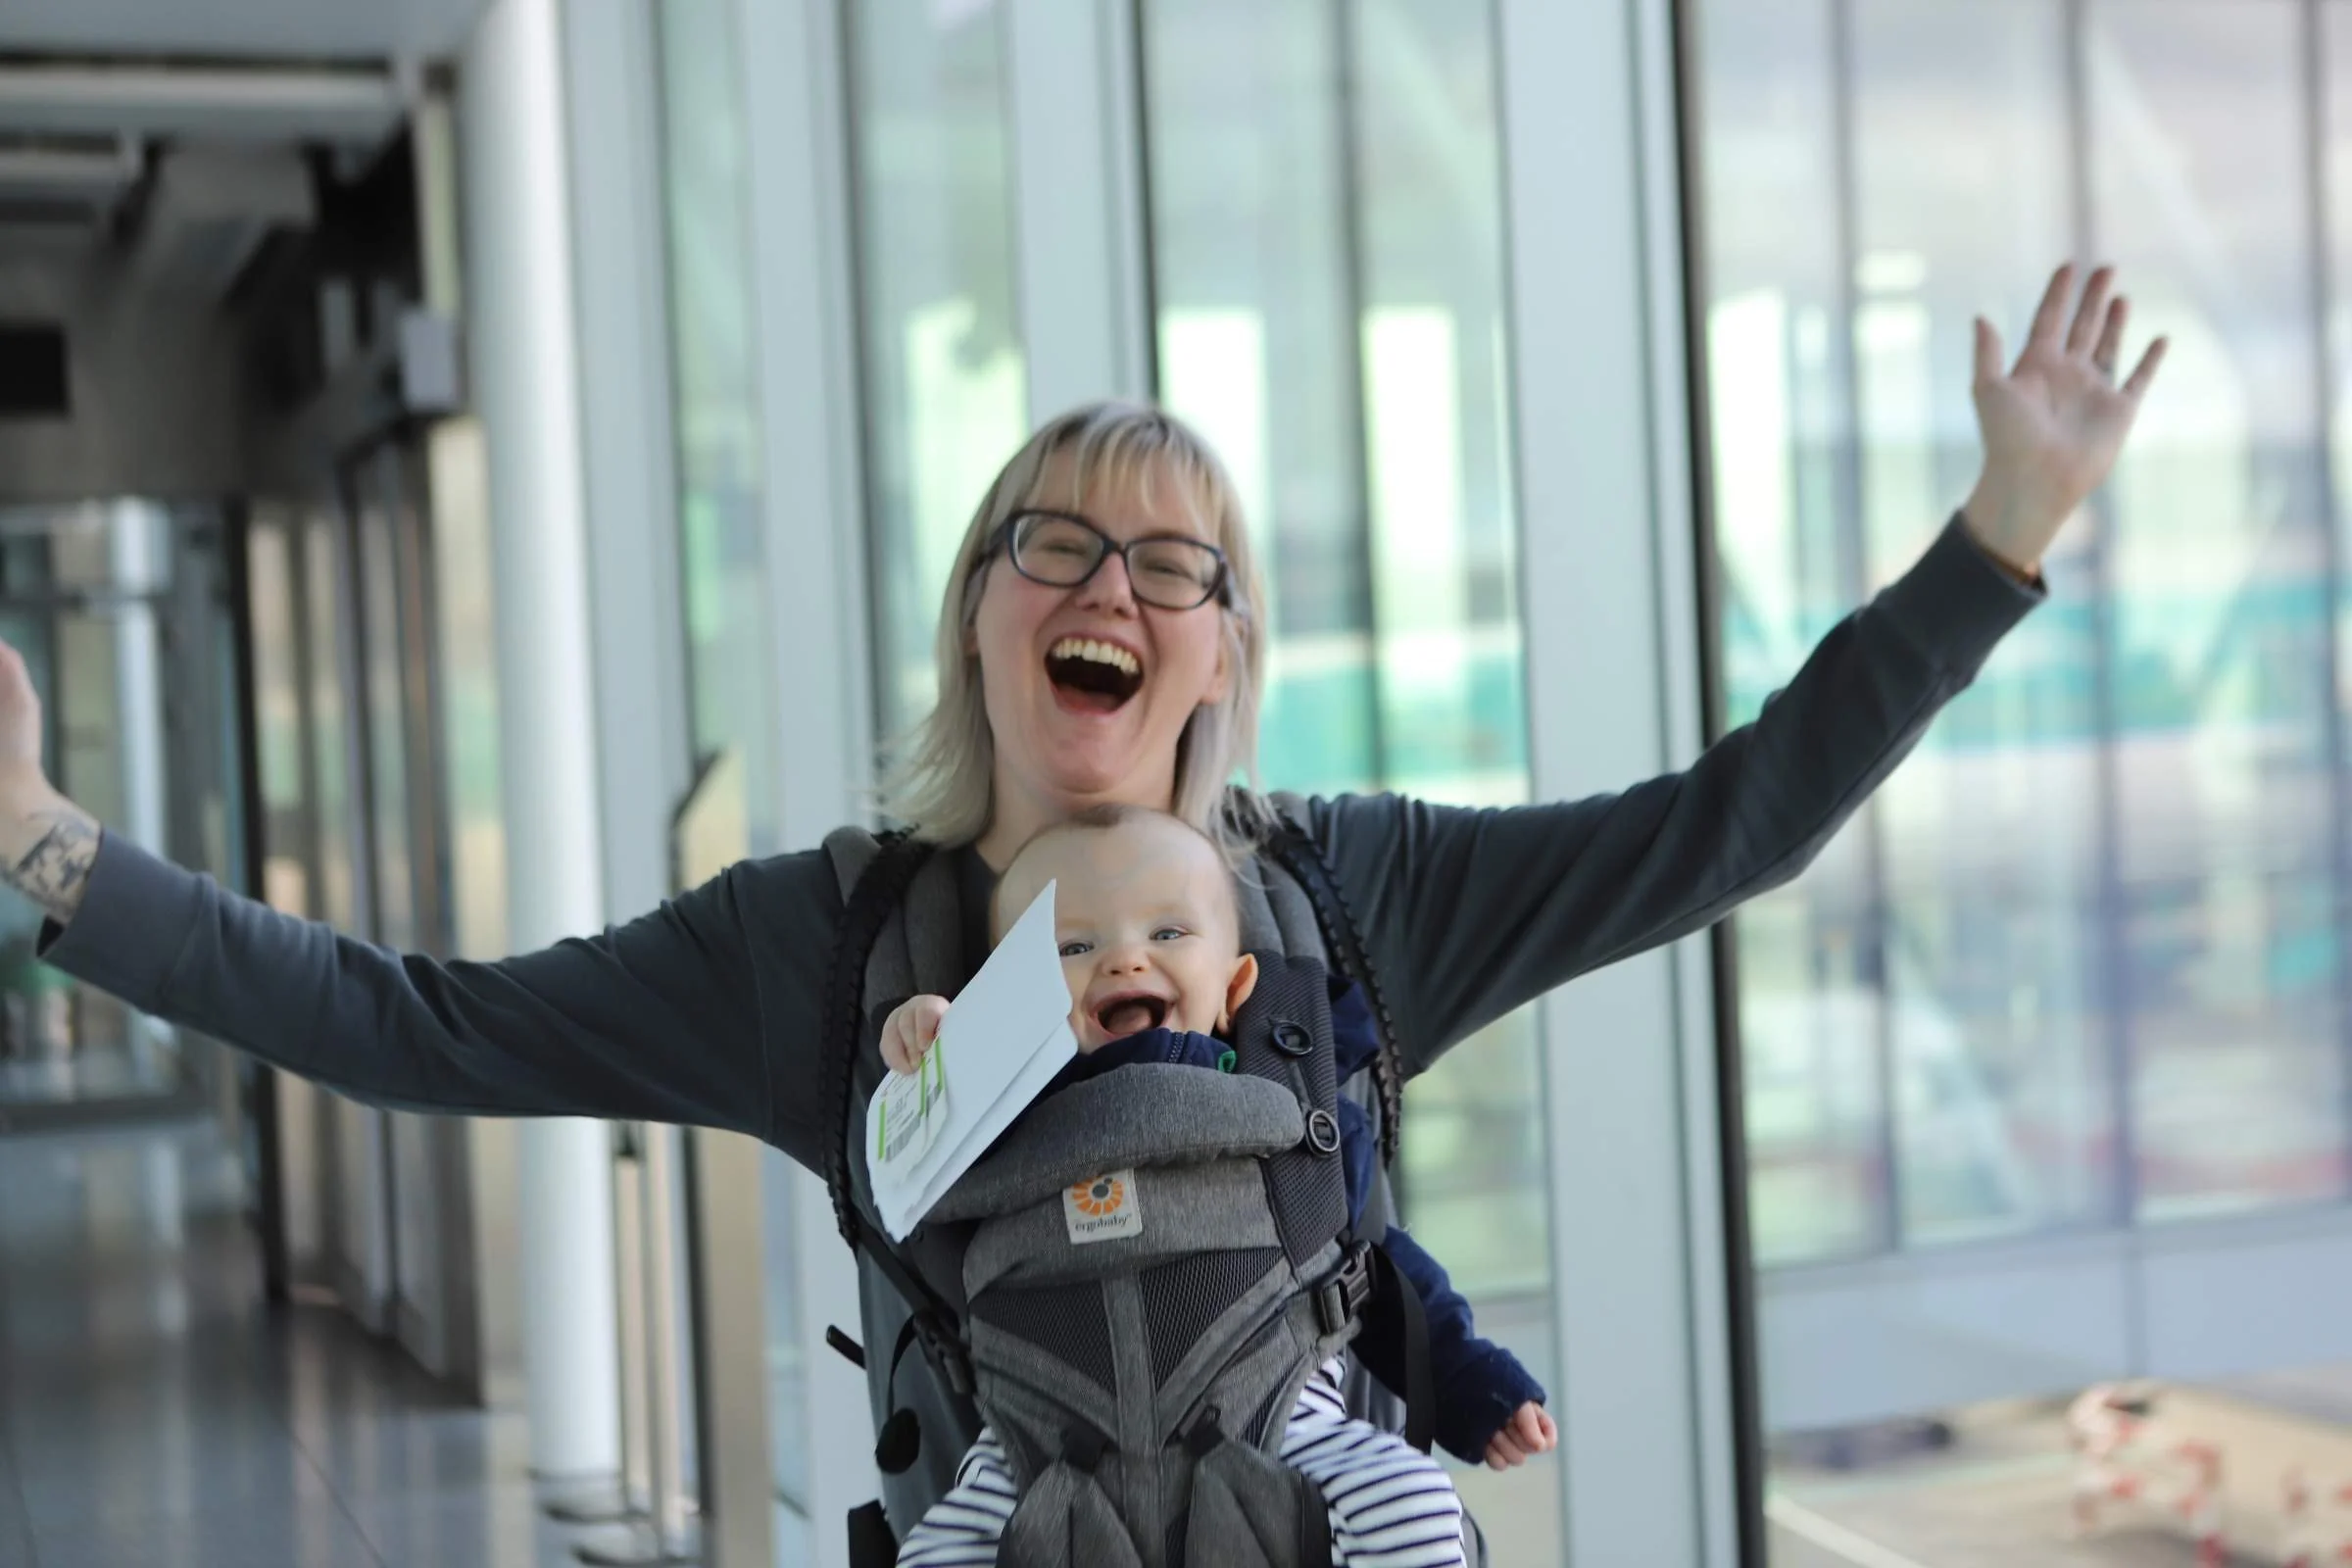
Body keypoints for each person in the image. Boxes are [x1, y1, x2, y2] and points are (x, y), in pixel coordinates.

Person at [0, 264, 2165, 1537]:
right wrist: (42, 847)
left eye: (1172, 563)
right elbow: (411, 1024)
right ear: (978, 615)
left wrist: (1997, 540)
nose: (1109, 584)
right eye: (1055, 543)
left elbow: (1726, 828)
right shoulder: (820, 949)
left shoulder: (1346, 900)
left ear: (1221, 651)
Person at [884, 805, 1556, 1568]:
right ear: (1008, 1001)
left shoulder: (1289, 1108)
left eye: (1168, 933)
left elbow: (1378, 1265)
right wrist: (934, 1047)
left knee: (1415, 1502)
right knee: (935, 1550)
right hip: (1036, 1441)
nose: (1125, 959)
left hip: (1275, 1421)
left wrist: (1470, 1382)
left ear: (1236, 988)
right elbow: (911, 1148)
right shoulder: (992, 1113)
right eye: (1073, 946)